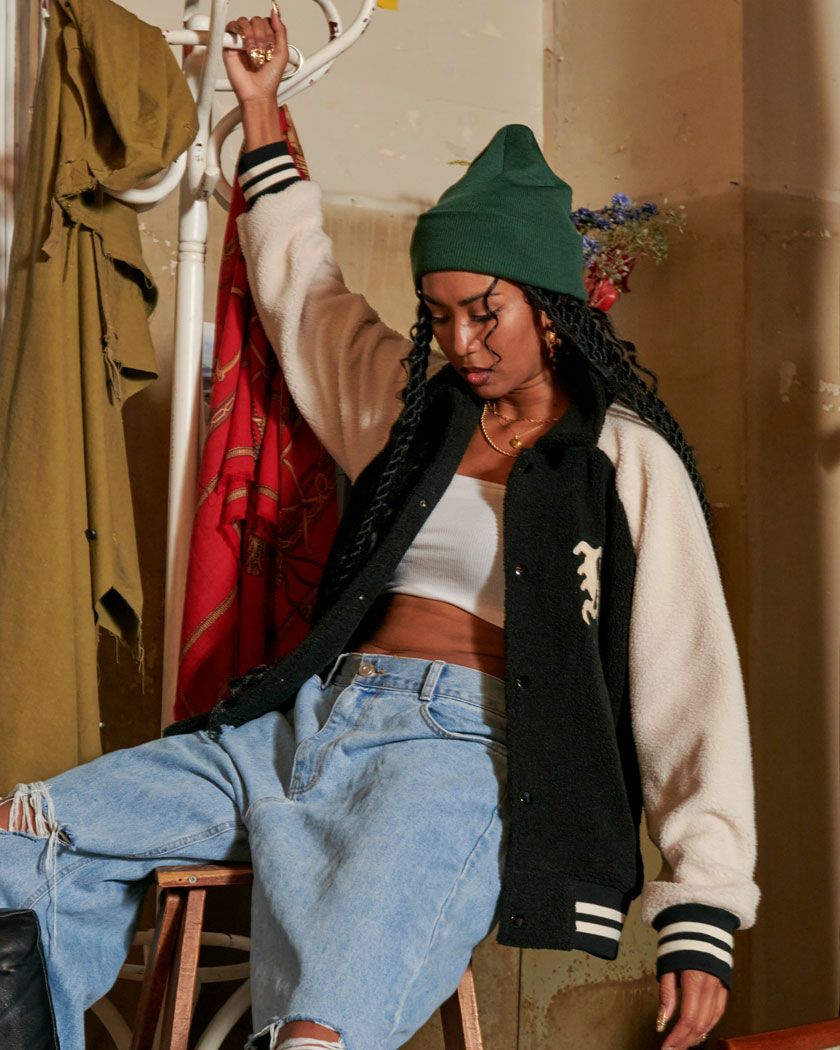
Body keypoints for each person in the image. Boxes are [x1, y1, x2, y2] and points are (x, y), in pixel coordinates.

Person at [0, 9, 758, 1050]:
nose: (462, 340)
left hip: (456, 758)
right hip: (308, 720)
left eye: (485, 311)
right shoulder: (414, 423)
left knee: (322, 1029)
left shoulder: (624, 462)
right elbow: (305, 296)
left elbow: (690, 683)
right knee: (27, 841)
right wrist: (262, 110)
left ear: (550, 304)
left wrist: (701, 911)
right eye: (439, 315)